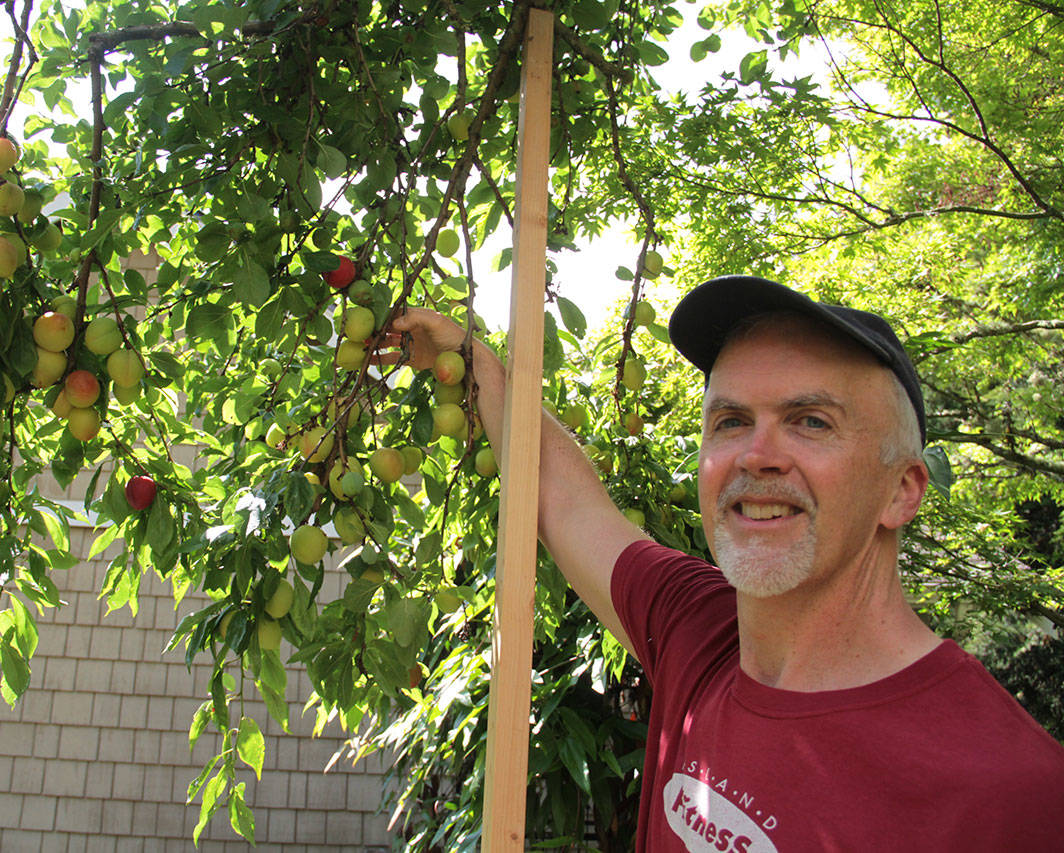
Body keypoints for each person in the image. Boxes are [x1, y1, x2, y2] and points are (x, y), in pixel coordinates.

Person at [383, 275, 1064, 851]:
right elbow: (566, 505)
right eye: (731, 421)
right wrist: (478, 364)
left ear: (902, 489)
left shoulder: (1014, 792)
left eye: (811, 421)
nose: (756, 454)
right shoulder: (698, 631)